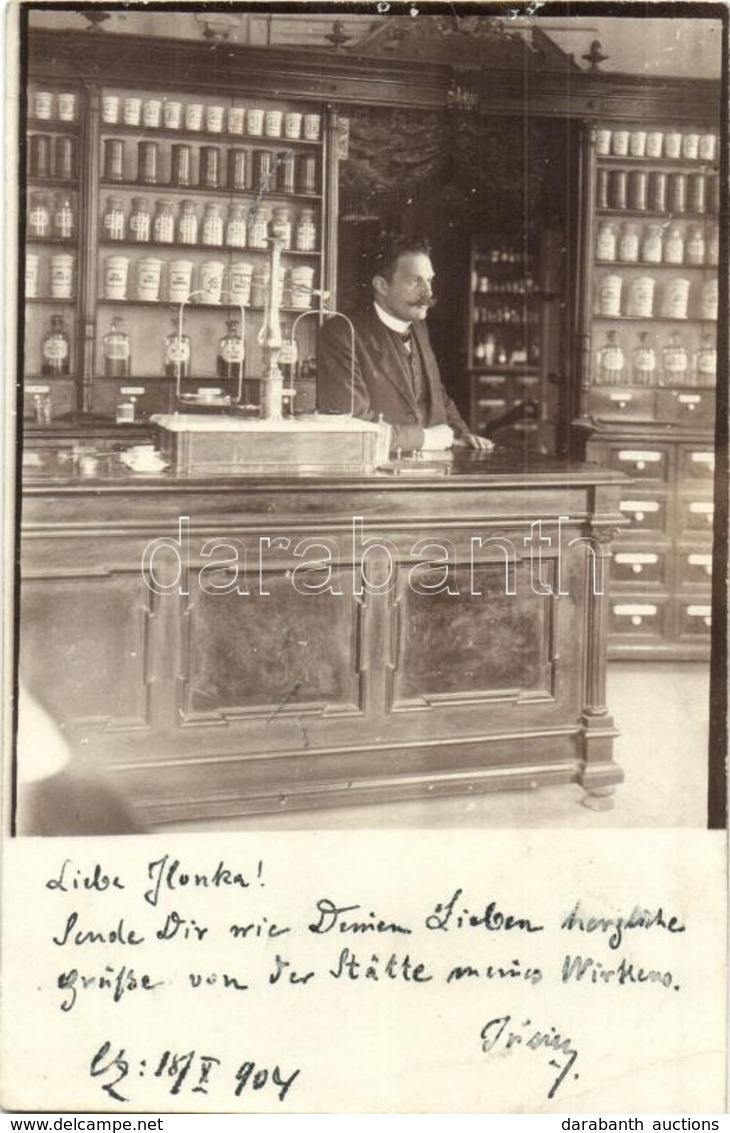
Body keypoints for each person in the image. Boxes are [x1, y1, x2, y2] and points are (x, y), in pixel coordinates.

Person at [318, 234, 493, 453]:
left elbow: (437, 395)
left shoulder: (419, 327)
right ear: (381, 285)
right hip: (377, 474)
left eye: (429, 280)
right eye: (414, 281)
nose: (428, 292)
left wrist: (462, 435)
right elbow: (353, 429)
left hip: (430, 470)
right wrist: (427, 439)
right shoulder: (342, 333)